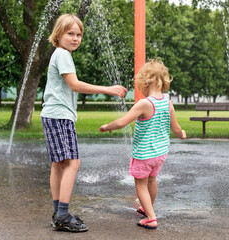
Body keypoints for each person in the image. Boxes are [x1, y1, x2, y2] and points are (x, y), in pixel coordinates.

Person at [41, 14, 127, 232]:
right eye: (70, 33)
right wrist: (108, 89)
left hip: (52, 114)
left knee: (59, 164)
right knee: (72, 163)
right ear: (58, 34)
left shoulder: (60, 54)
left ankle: (58, 213)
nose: (75, 38)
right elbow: (75, 85)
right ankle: (62, 215)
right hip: (59, 116)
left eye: (79, 34)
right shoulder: (63, 55)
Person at [99, 59, 186, 229]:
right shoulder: (168, 104)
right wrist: (182, 134)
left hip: (144, 154)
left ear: (145, 81)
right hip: (160, 153)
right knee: (152, 181)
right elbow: (176, 129)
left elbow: (122, 122)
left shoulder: (145, 103)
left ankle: (151, 218)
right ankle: (148, 209)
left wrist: (107, 127)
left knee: (140, 184)